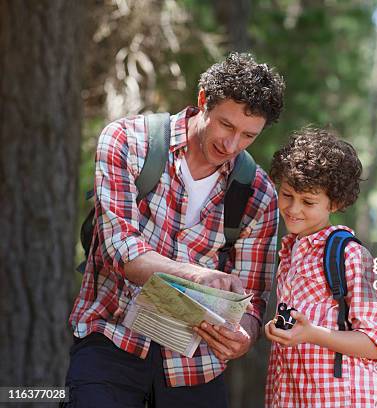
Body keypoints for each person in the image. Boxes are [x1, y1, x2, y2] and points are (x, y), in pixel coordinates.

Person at [64, 53, 285, 407]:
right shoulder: (127, 141)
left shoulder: (258, 194)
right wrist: (198, 275)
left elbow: (253, 300)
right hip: (112, 344)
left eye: (248, 136)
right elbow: (122, 252)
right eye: (226, 125)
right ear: (202, 101)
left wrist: (245, 335)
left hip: (197, 370)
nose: (231, 145)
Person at [263, 127, 377, 407]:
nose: (293, 209)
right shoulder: (288, 253)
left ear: (334, 202)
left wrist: (312, 334)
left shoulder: (352, 256)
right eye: (287, 195)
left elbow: (376, 343)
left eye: (308, 201)